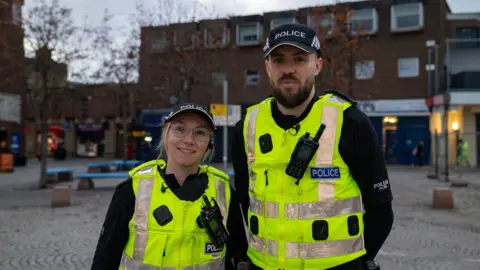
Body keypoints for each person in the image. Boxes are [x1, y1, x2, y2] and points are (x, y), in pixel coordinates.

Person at [226, 24, 394, 270]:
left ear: (317, 65)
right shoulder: (246, 127)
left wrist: (356, 264)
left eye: (300, 59)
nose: (288, 69)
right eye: (278, 60)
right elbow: (243, 201)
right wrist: (242, 258)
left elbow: (381, 210)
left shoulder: (350, 122)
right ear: (267, 67)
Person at [91, 103, 232, 270]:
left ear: (209, 143)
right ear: (165, 136)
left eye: (200, 132)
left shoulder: (224, 191)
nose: (189, 140)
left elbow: (236, 258)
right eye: (180, 129)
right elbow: (105, 259)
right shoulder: (132, 189)